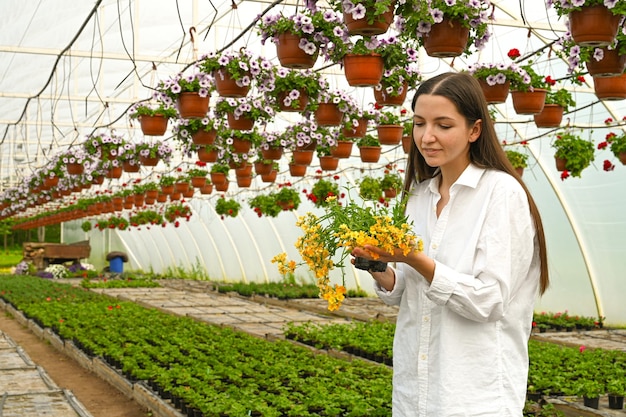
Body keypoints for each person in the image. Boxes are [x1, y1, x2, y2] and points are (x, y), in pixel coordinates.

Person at [351, 72, 549, 417]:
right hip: (416, 391)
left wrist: (414, 259)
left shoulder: (500, 193)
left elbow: (489, 300)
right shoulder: (418, 196)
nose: (427, 137)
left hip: (475, 395)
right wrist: (381, 267)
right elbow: (406, 292)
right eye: (419, 123)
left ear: (474, 130)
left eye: (443, 125)